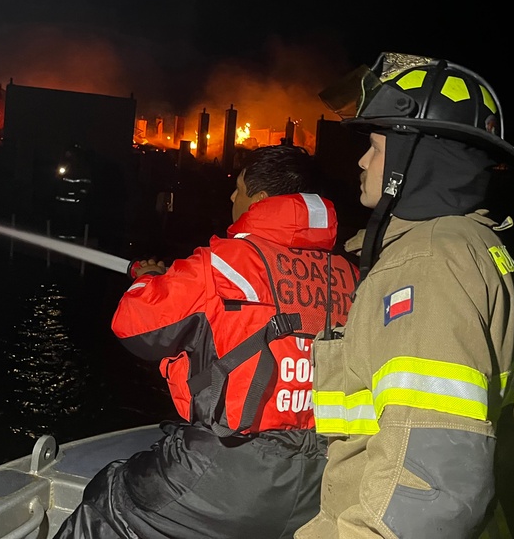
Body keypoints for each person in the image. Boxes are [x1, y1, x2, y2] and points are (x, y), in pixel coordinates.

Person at [298, 52, 514, 539]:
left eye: (376, 146)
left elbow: (428, 495)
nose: (361, 159)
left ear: (411, 160)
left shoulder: (425, 268)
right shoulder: (472, 241)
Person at [54, 144, 360, 539]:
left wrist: (147, 278)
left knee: (108, 500)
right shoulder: (349, 275)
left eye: (239, 188)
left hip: (232, 470)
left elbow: (135, 327)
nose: (233, 196)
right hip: (323, 476)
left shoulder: (224, 262)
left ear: (262, 199)